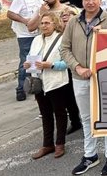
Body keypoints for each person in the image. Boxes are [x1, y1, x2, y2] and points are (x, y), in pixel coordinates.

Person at [60, 0, 107, 176]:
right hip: (80, 77)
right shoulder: (73, 21)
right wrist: (77, 67)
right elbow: (64, 49)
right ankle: (90, 155)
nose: (91, 2)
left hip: (105, 77)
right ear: (82, 1)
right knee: (86, 118)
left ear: (100, 0)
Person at [24, 12, 72, 160]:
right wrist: (28, 65)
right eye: (42, 23)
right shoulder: (37, 40)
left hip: (56, 81)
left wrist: (50, 65)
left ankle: (60, 143)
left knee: (59, 113)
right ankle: (47, 144)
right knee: (45, 114)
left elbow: (67, 63)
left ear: (55, 23)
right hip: (39, 82)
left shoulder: (62, 39)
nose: (44, 26)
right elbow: (31, 57)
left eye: (47, 23)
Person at [7, 0, 45, 101]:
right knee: (26, 60)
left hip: (38, 33)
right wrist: (24, 21)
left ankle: (34, 85)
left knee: (37, 60)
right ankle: (20, 89)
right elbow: (10, 14)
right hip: (24, 35)